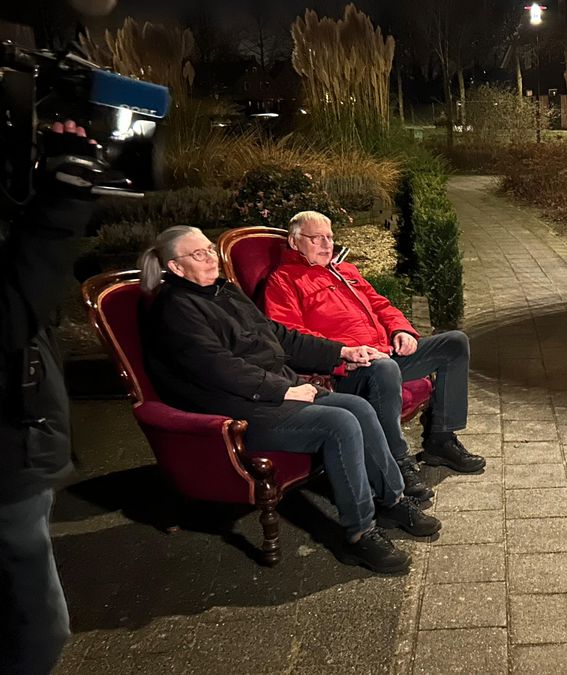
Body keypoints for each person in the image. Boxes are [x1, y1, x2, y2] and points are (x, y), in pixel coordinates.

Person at [139, 226, 442, 575]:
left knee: (358, 407)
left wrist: (342, 352)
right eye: (198, 254)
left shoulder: (225, 292)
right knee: (340, 422)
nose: (211, 258)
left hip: (269, 392)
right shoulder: (175, 309)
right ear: (176, 268)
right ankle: (359, 533)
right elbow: (219, 369)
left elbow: (279, 337)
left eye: (210, 249)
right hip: (233, 408)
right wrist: (284, 390)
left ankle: (391, 500)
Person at [263, 211, 485, 482]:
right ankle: (396, 462)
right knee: (384, 368)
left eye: (330, 237)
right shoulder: (283, 280)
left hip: (385, 354)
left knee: (454, 343)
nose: (327, 244)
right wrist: (345, 352)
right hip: (348, 368)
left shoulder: (345, 271)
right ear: (295, 242)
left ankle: (440, 439)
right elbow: (290, 335)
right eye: (317, 238)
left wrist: (401, 330)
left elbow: (380, 304)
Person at [0, 120, 99, 675]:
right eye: (200, 252)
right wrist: (60, 197)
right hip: (10, 460)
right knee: (36, 629)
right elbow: (15, 313)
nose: (213, 258)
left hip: (23, 447)